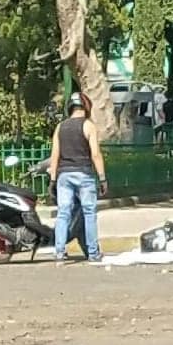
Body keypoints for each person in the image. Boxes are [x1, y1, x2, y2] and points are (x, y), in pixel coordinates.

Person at [48, 93, 107, 265]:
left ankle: (59, 252)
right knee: (89, 213)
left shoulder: (61, 127)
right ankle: (93, 253)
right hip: (84, 174)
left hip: (64, 175)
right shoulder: (88, 126)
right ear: (86, 106)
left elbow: (55, 155)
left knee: (63, 213)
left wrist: (52, 180)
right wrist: (102, 178)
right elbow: (95, 154)